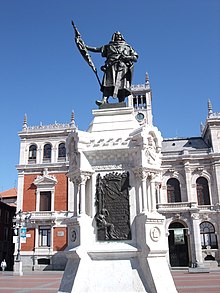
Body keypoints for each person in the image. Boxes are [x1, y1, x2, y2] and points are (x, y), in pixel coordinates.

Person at [86, 32, 138, 106]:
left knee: (122, 85)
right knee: (108, 83)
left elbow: (135, 58)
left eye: (120, 35)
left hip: (122, 67)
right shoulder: (108, 46)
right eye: (117, 35)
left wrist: (126, 57)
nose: (118, 36)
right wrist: (85, 47)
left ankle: (121, 102)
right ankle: (104, 100)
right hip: (111, 66)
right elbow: (96, 49)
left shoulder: (128, 47)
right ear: (114, 37)